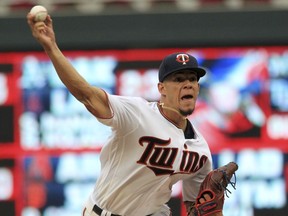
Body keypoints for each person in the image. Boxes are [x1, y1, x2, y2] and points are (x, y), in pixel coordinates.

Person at [27, 12, 213, 216]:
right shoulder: (136, 113)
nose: (188, 84)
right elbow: (87, 95)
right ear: (162, 89)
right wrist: (51, 47)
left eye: (192, 79)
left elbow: (197, 207)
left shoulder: (200, 151)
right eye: (178, 79)